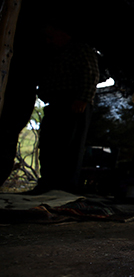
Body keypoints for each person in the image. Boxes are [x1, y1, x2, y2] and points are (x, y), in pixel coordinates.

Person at [31, 24, 100, 194]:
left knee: (69, 147)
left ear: (62, 33)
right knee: (49, 145)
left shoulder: (80, 50)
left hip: (74, 103)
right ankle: (47, 184)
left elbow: (91, 74)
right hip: (56, 104)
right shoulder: (54, 53)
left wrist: (83, 98)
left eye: (51, 37)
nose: (48, 41)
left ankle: (64, 189)